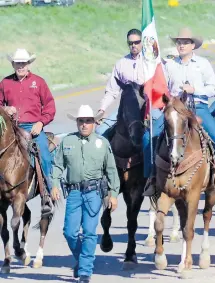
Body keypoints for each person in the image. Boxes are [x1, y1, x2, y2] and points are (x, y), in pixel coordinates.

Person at [142, 27, 215, 198]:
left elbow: (213, 89)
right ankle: (151, 177)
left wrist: (194, 89)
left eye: (185, 43)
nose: (181, 45)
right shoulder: (169, 65)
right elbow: (162, 87)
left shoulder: (202, 64)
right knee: (148, 136)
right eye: (179, 43)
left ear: (192, 45)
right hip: (175, 108)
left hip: (198, 107)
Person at [51, 105, 120, 283]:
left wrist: (113, 194)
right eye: (81, 121)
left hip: (94, 193)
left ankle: (84, 272)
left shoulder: (102, 143)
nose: (84, 125)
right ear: (77, 123)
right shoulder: (67, 142)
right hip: (73, 192)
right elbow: (58, 165)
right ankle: (82, 260)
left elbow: (111, 170)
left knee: (89, 232)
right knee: (69, 232)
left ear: (94, 123)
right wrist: (55, 185)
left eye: (88, 121)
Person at [0, 48, 56, 213]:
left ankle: (47, 190)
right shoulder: (5, 83)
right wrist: (5, 109)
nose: (20, 67)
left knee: (43, 153)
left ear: (28, 64)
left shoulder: (39, 82)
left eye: (23, 63)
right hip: (11, 127)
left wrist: (41, 122)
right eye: (18, 63)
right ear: (13, 64)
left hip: (33, 128)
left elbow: (50, 106)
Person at [95, 28, 145, 135]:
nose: (133, 45)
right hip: (127, 109)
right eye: (130, 43)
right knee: (100, 131)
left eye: (137, 42)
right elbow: (112, 91)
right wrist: (102, 109)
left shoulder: (150, 62)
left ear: (142, 42)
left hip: (146, 108)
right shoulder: (121, 64)